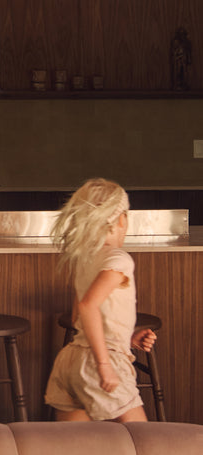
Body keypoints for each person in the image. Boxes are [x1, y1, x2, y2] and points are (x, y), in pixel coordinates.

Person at [44, 178, 156, 423]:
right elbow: (87, 306)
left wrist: (126, 337)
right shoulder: (119, 259)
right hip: (102, 361)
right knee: (143, 445)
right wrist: (104, 363)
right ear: (121, 219)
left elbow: (77, 319)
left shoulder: (83, 258)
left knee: (73, 451)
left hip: (70, 360)